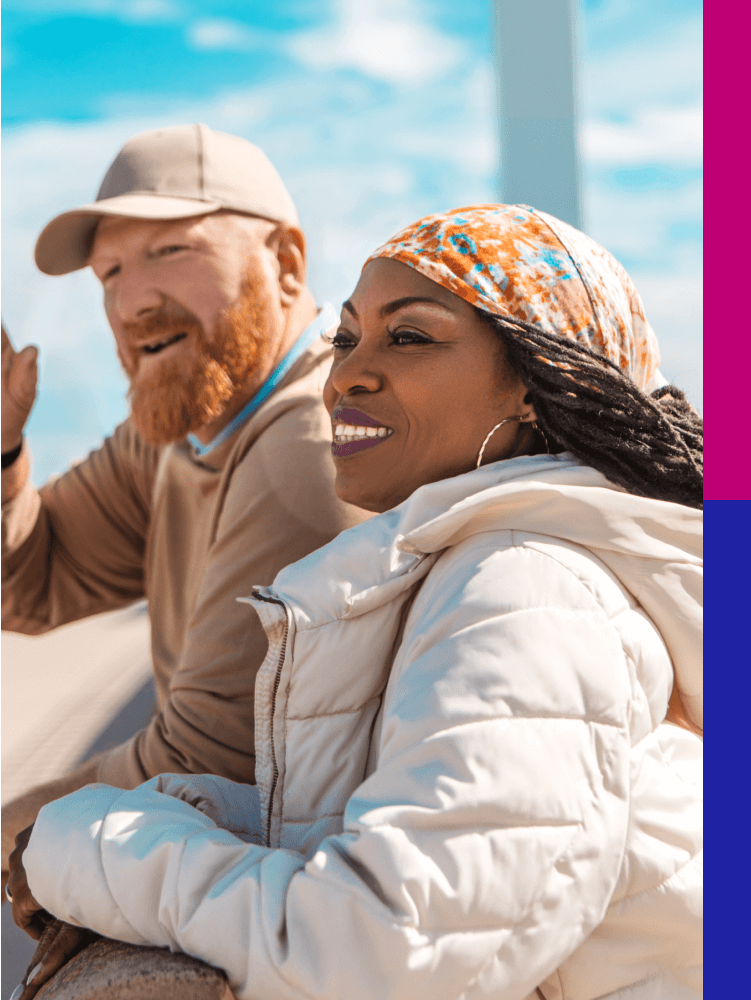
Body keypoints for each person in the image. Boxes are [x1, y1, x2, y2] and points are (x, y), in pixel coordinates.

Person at [8, 204, 702, 1000]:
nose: (346, 376)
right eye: (346, 338)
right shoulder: (476, 567)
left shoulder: (524, 588)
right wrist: (185, 806)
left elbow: (387, 951)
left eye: (408, 336)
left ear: (538, 385)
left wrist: (89, 846)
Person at [0, 124, 367, 890]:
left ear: (286, 263)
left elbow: (206, 763)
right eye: (108, 273)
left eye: (171, 251)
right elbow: (34, 584)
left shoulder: (309, 439)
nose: (132, 302)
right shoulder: (182, 430)